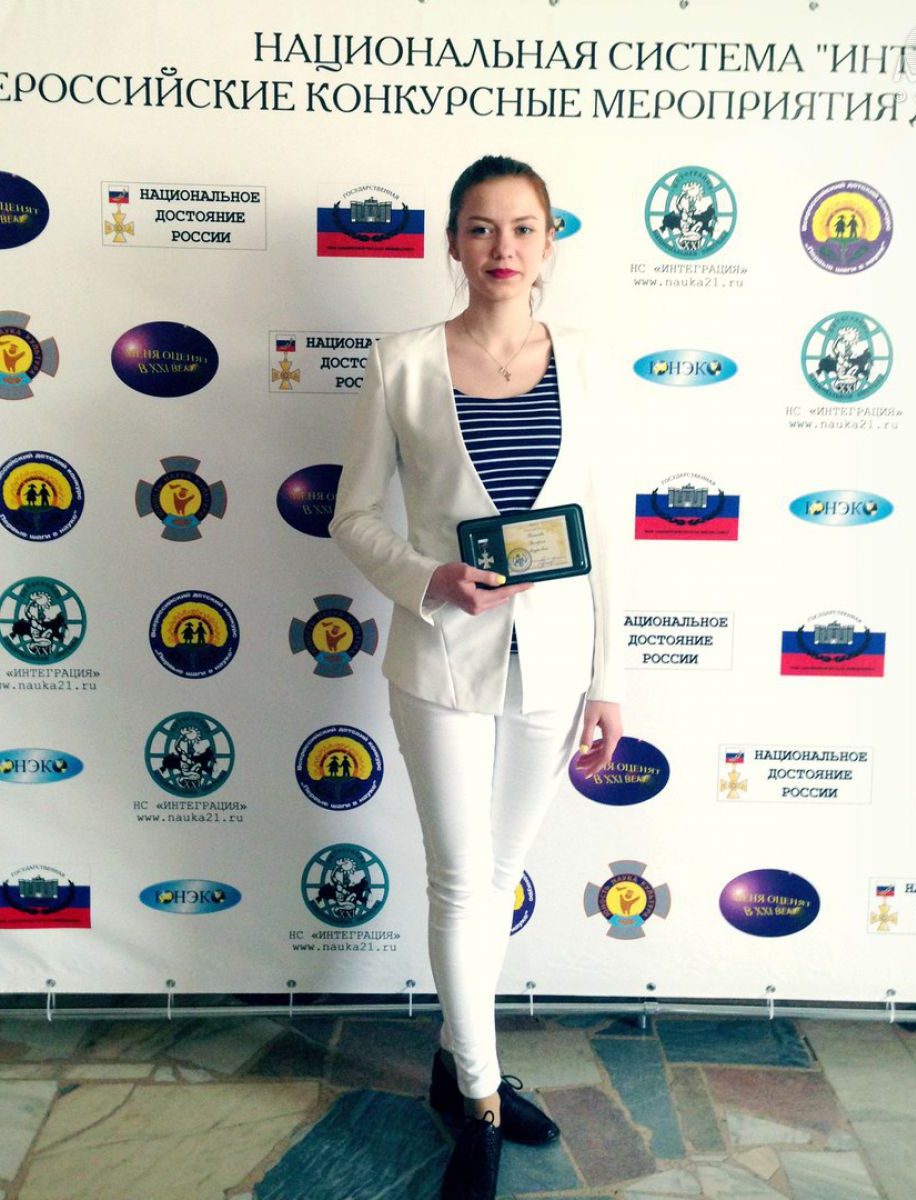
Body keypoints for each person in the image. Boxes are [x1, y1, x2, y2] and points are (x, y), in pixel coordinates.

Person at [330, 154, 623, 1200]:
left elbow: (602, 532)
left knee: (498, 880)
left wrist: (608, 677)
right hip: (440, 656)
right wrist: (429, 578)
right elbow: (351, 516)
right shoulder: (401, 363)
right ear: (451, 243)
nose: (503, 247)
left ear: (549, 244)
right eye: (481, 228)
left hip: (554, 662)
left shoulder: (586, 361)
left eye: (523, 228)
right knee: (461, 881)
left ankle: (455, 1071)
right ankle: (484, 1103)